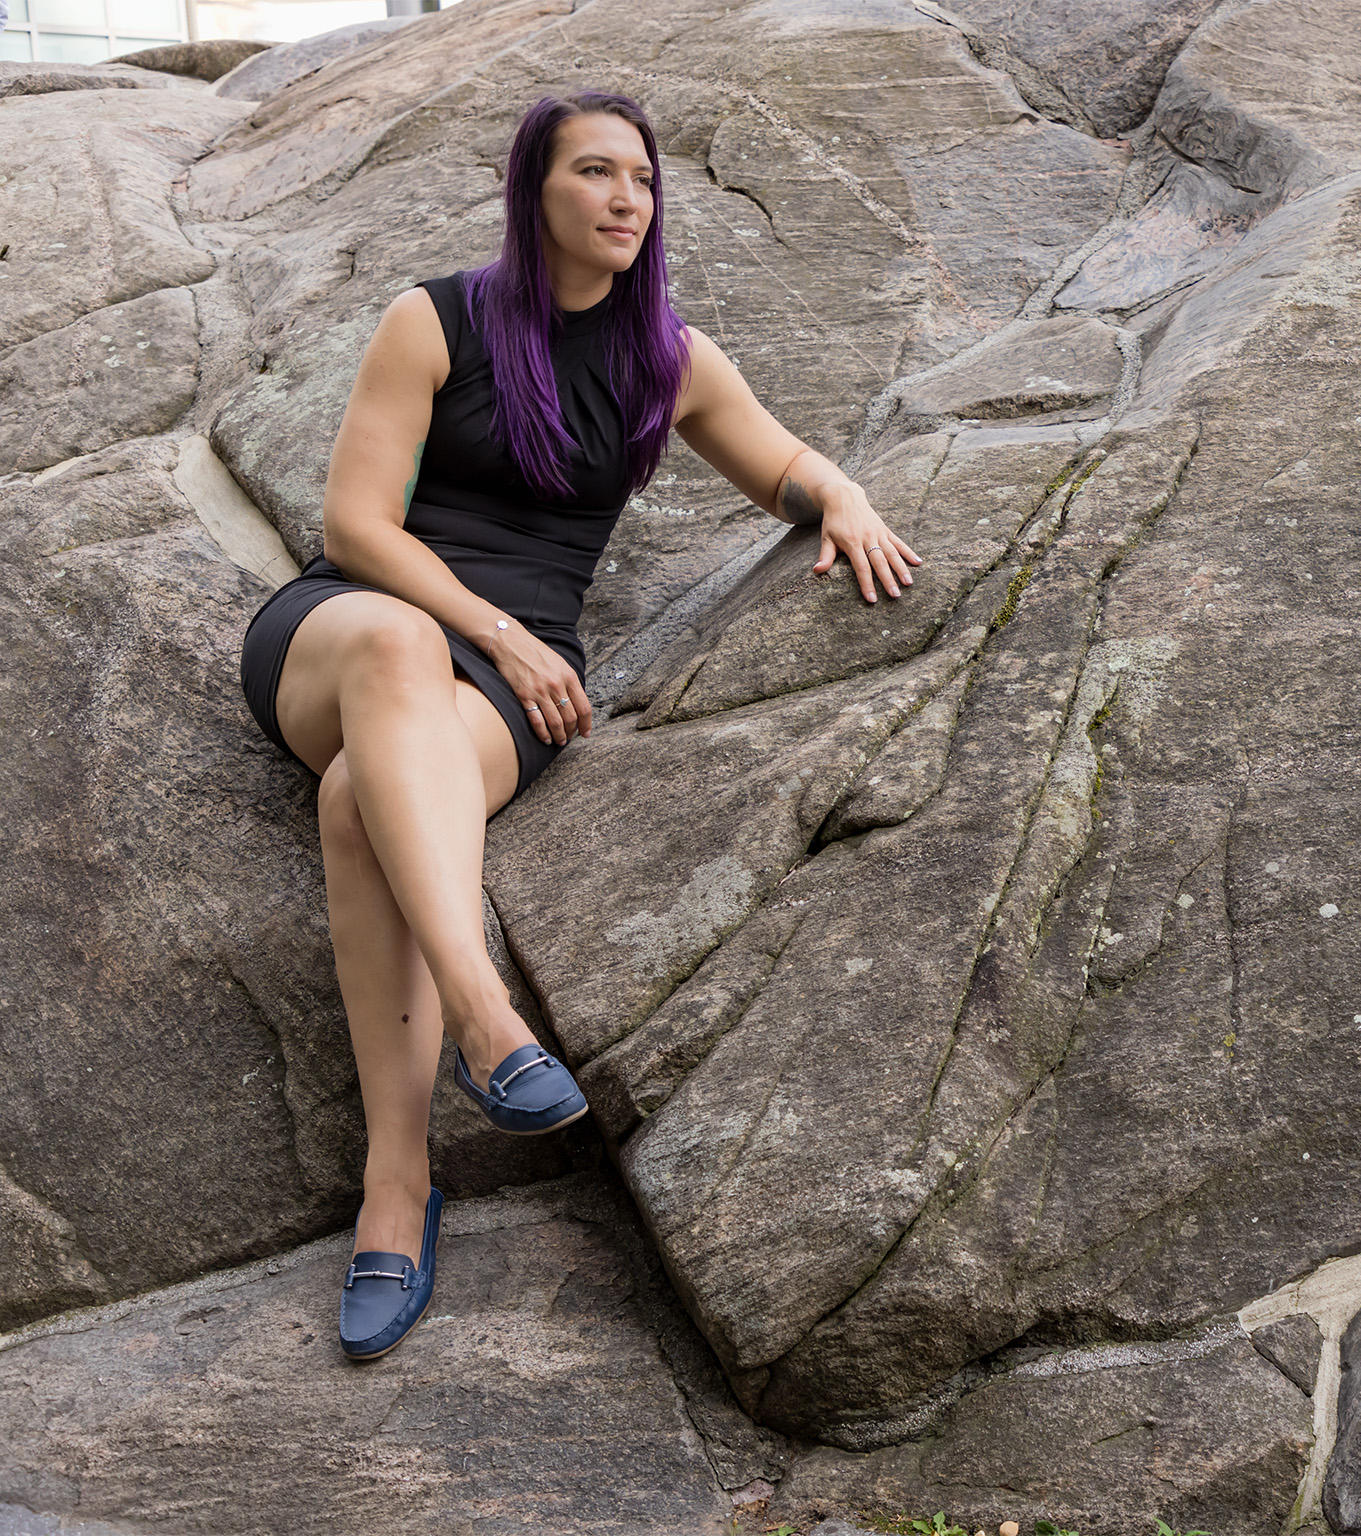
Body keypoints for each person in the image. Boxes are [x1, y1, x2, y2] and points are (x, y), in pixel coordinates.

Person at [237, 90, 920, 1359]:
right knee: (393, 644)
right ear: (533, 192)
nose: (624, 199)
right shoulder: (432, 320)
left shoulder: (668, 356)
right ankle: (485, 1017)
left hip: (504, 692)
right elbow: (355, 529)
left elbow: (782, 464)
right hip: (357, 625)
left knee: (356, 807)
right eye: (594, 173)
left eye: (642, 181)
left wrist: (844, 498)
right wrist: (495, 629)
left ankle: (398, 1185)